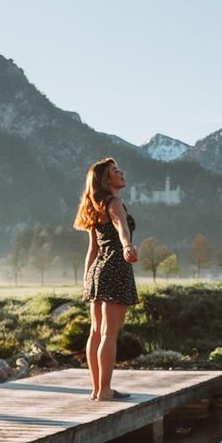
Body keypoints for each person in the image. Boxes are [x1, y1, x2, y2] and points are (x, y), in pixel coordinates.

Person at [74, 157, 139, 401]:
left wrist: (86, 278)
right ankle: (105, 390)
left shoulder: (94, 205)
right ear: (105, 179)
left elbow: (92, 249)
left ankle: (96, 389)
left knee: (96, 332)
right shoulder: (114, 202)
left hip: (97, 270)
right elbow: (121, 226)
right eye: (115, 170)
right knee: (109, 333)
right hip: (115, 267)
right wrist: (127, 246)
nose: (121, 172)